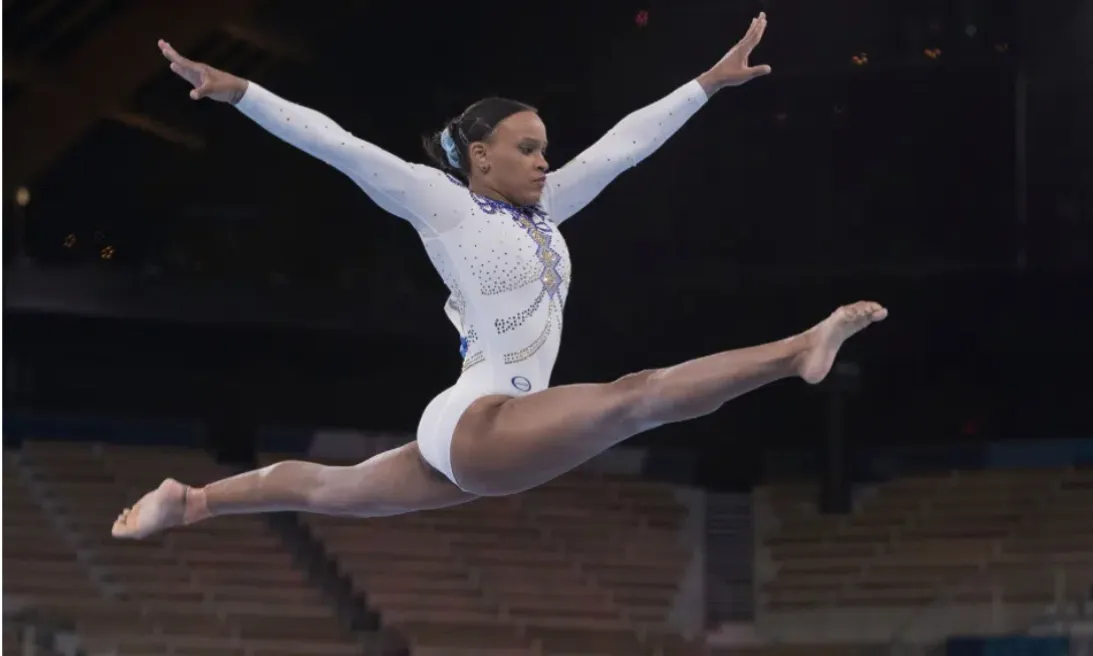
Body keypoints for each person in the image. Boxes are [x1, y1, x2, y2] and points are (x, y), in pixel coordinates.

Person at [113, 13, 887, 539]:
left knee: (330, 491)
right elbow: (340, 145)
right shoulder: (443, 205)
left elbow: (622, 148)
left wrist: (705, 85)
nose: (545, 160)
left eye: (546, 147)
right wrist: (241, 91)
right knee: (635, 399)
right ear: (480, 155)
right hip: (479, 422)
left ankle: (191, 502)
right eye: (527, 148)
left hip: (483, 429)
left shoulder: (546, 213)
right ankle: (798, 349)